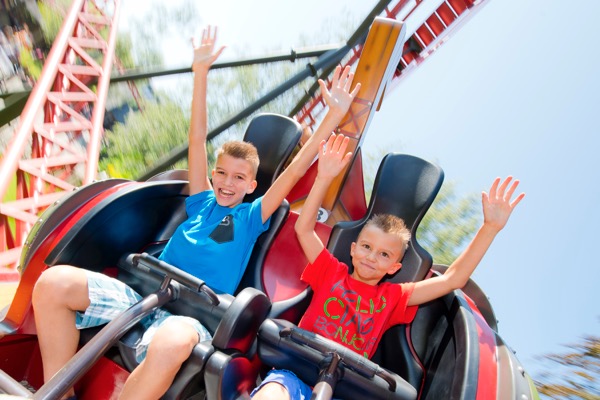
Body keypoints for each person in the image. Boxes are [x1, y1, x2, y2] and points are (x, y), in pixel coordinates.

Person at [31, 26, 361, 400]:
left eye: (239, 178)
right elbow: (196, 136)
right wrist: (200, 73)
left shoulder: (251, 217)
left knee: (174, 341)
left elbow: (297, 169)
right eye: (221, 173)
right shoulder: (201, 199)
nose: (226, 183)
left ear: (253, 186)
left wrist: (333, 116)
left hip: (189, 317)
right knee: (54, 283)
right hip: (141, 294)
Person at [251, 134, 525, 400]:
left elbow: (452, 280)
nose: (372, 257)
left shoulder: (393, 298)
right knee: (272, 394)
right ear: (353, 249)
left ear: (394, 267)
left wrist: (489, 228)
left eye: (383, 254)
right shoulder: (330, 271)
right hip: (296, 369)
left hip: (344, 387)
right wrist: (323, 177)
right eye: (367, 247)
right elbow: (304, 228)